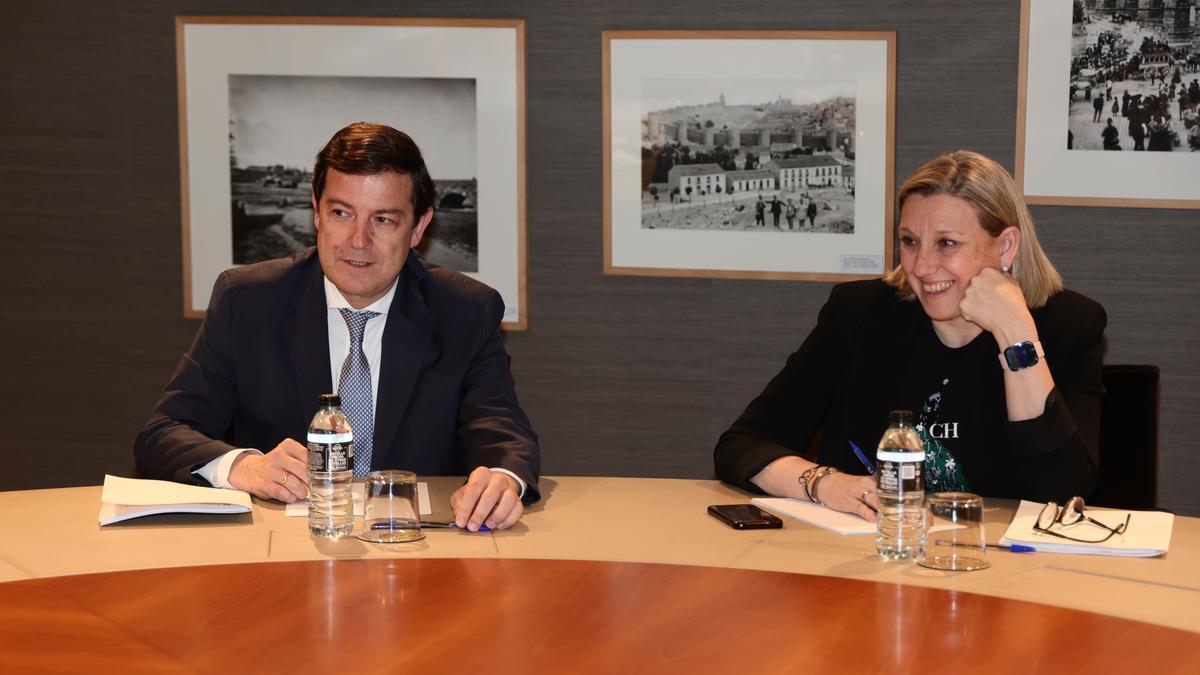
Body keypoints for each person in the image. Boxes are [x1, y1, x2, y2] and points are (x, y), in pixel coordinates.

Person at [135, 122, 540, 532]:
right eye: (342, 213)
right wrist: (245, 467)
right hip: (282, 546)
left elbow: (503, 434)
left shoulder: (466, 311)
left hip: (419, 545)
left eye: (383, 219)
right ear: (317, 211)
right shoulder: (248, 302)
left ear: (419, 227)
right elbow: (163, 433)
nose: (358, 240)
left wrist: (501, 480)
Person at [714, 150, 1105, 521]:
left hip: (1001, 558)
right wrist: (824, 483)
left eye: (947, 243)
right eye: (910, 242)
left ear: (1005, 246)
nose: (921, 266)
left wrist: (1016, 334)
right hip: (872, 551)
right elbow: (743, 444)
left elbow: (1063, 492)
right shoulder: (860, 314)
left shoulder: (1067, 325)